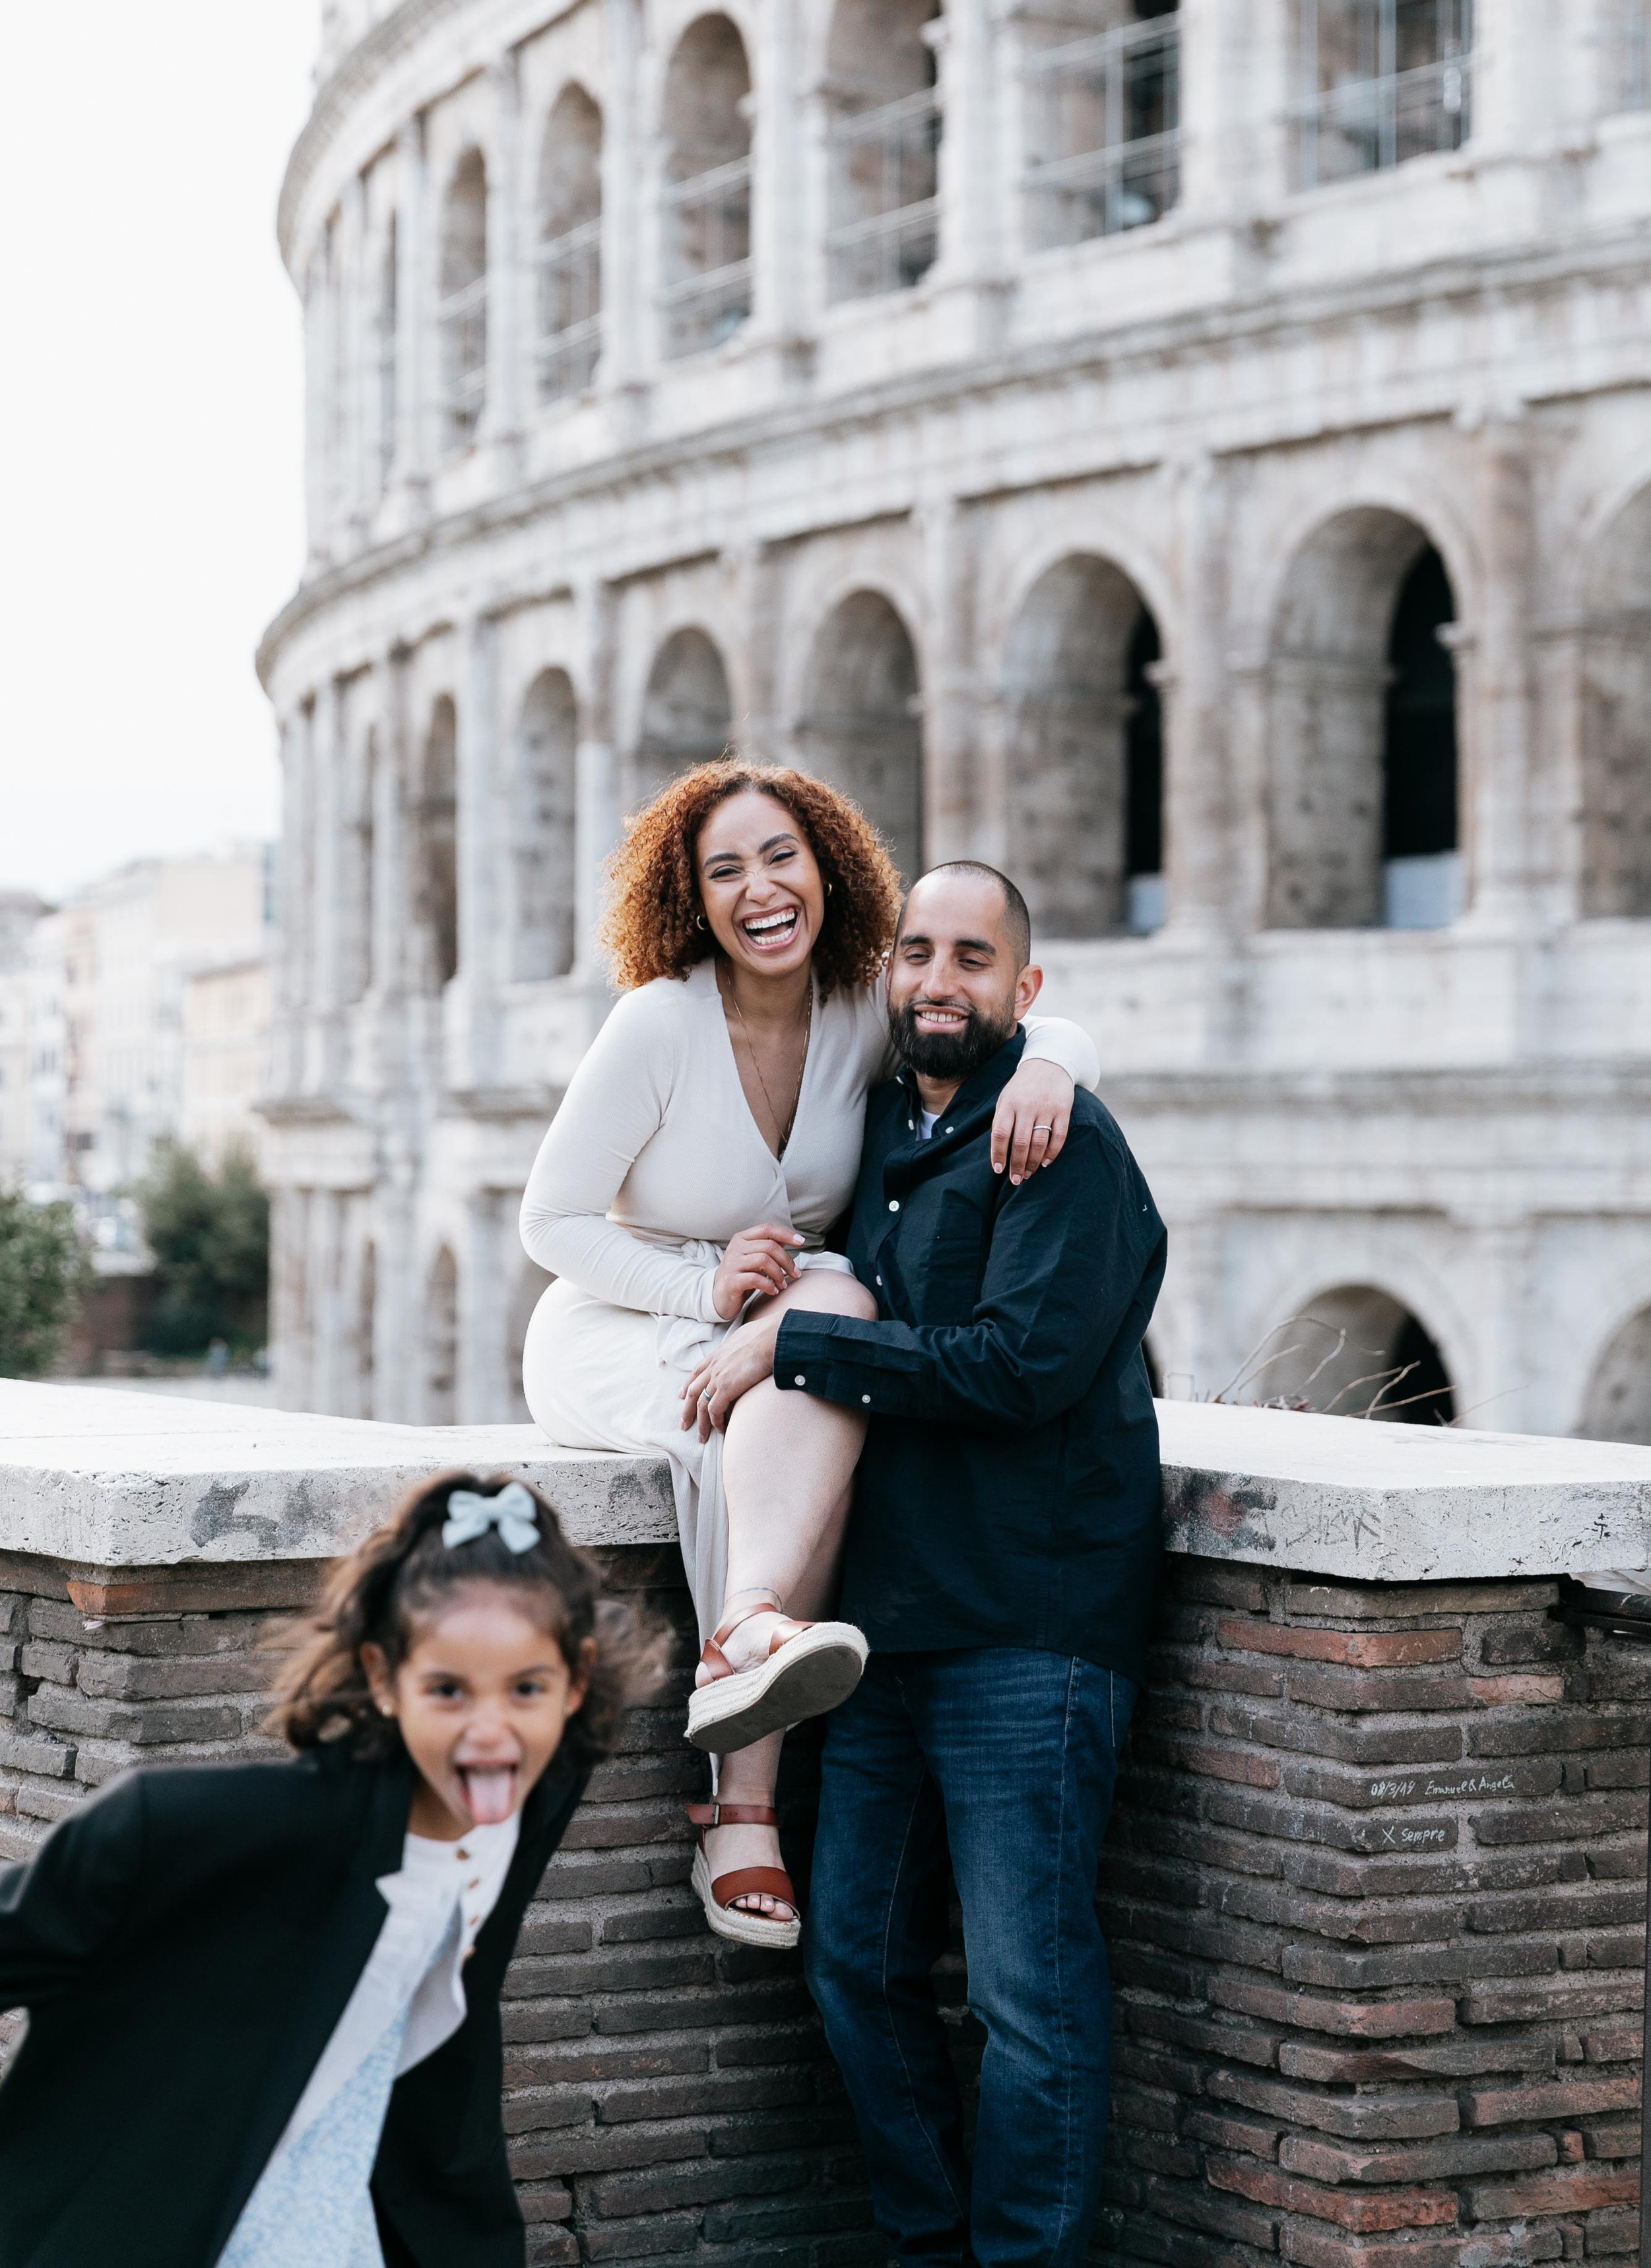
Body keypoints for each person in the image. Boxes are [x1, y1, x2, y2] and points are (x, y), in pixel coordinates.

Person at [519, 762, 1100, 1947]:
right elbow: (552, 1225)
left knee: (834, 1310)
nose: (759, 889)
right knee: (794, 1364)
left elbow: (1004, 1000)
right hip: (621, 1318)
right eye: (724, 869)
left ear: (828, 868)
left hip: (776, 1317)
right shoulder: (658, 1022)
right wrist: (700, 1284)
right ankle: (743, 1804)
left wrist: (1053, 1061)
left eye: (780, 855)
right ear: (691, 898)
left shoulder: (860, 1011)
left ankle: (744, 1632)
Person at [681, 861, 1166, 2268]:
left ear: (1023, 989)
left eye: (971, 957)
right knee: (852, 1967)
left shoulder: (1063, 1147)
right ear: (884, 973)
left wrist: (796, 1341)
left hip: (1032, 1624)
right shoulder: (885, 1129)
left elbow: (1020, 1369)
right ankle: (923, 2240)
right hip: (880, 1635)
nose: (935, 980)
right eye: (912, 954)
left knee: (1028, 1993)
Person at [0, 1471, 659, 2268]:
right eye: (447, 1691)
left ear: (575, 1683)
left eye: (526, 1689)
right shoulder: (205, 1831)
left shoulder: (536, 1787)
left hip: (352, 2212)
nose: (491, 1732)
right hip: (169, 2213)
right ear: (384, 1679)